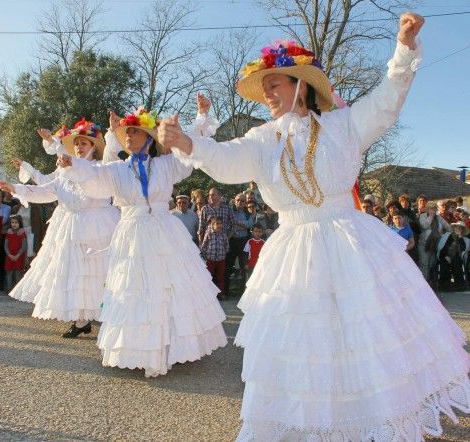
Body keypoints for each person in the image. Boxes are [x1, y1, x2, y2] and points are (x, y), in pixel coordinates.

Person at [159, 13, 469, 441]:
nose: (267, 92)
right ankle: (311, 421)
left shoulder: (343, 125)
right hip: (294, 249)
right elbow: (226, 159)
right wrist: (187, 143)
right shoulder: (261, 138)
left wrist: (403, 47)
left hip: (348, 239)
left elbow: (387, 100)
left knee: (361, 332)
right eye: (264, 86)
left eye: (276, 83)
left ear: (301, 84)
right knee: (305, 338)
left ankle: (373, 416)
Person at [56, 102, 227, 377]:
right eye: (127, 134)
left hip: (163, 229)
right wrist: (72, 165)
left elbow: (190, 150)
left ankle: (171, 346)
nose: (130, 137)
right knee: (134, 288)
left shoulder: (166, 164)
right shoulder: (117, 169)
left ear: (149, 137)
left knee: (167, 285)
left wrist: (202, 116)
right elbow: (94, 175)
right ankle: (139, 348)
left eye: (135, 133)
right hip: (132, 231)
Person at [0, 118, 120, 338]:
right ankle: (81, 319)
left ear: (93, 147)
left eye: (84, 144)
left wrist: (113, 131)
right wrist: (15, 188)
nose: (79, 147)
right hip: (71, 227)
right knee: (76, 274)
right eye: (77, 144)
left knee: (101, 272)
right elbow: (43, 191)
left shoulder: (100, 168)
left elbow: (98, 179)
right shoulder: (63, 174)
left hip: (98, 226)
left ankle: (112, 314)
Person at [418, 201, 451, 285]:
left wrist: (450, 233)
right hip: (424, 244)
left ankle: (432, 283)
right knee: (425, 264)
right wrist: (431, 217)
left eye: (435, 208)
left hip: (435, 245)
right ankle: (423, 284)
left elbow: (448, 227)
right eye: (431, 208)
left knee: (432, 264)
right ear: (427, 209)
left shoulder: (439, 218)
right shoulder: (422, 216)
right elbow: (424, 226)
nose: (434, 210)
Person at [201, 216, 229, 300]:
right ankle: (209, 294)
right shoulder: (208, 233)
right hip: (210, 259)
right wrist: (205, 255)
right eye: (217, 223)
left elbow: (226, 245)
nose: (219, 225)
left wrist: (224, 252)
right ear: (212, 225)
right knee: (209, 277)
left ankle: (220, 293)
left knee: (220, 277)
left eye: (220, 223)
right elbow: (204, 245)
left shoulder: (223, 234)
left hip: (221, 259)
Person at [437, 221, 470, 291]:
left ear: (462, 230)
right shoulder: (448, 236)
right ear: (454, 228)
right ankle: (444, 285)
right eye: (456, 228)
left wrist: (460, 238)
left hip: (457, 257)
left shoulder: (464, 239)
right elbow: (443, 247)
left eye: (460, 228)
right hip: (445, 255)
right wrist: (447, 256)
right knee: (444, 263)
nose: (457, 229)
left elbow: (463, 249)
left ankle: (459, 285)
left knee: (457, 263)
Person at [4, 214, 27, 292]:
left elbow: (23, 246)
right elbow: (6, 245)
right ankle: (9, 289)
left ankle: (17, 291)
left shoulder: (22, 233)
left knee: (18, 273)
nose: (14, 224)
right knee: (9, 273)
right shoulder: (9, 233)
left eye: (16, 222)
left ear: (20, 223)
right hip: (9, 256)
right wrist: (9, 254)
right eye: (12, 222)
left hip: (19, 256)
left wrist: (18, 255)